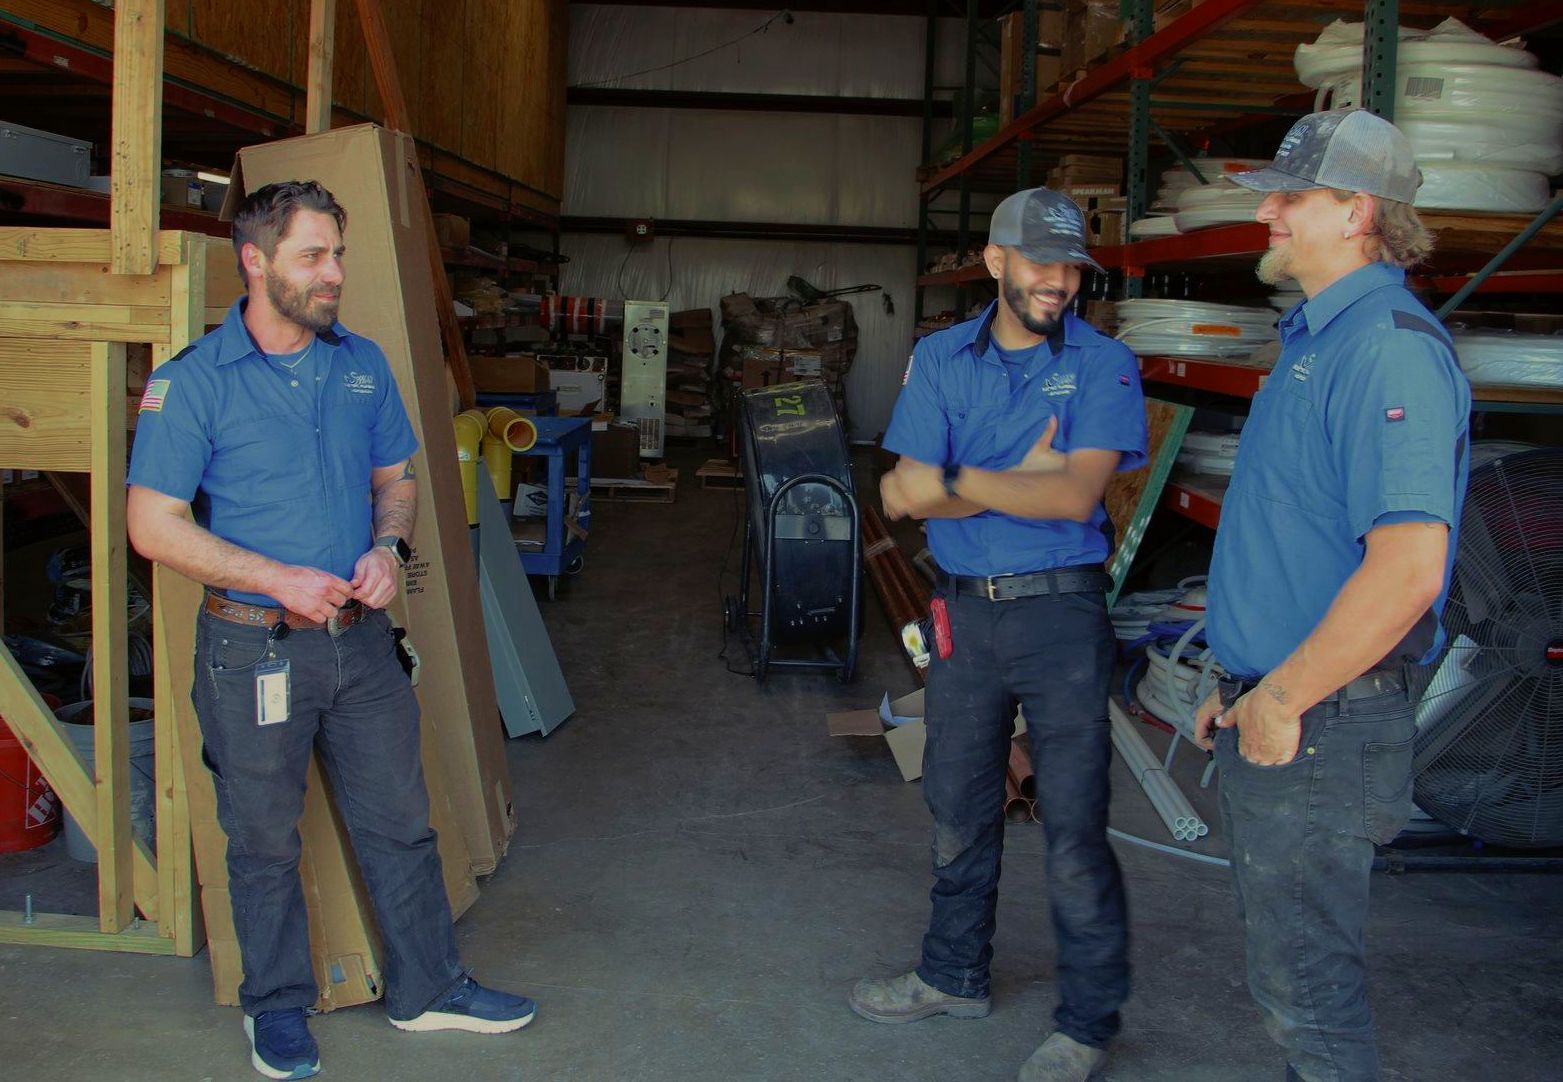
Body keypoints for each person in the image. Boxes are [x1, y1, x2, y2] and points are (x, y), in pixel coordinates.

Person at [126, 180, 536, 1081]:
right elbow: (152, 526)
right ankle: (275, 1007)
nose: (334, 274)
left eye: (338, 254)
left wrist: (389, 547)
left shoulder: (361, 365)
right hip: (253, 650)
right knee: (264, 840)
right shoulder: (193, 382)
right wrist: (276, 578)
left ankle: (429, 989)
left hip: (360, 641)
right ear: (255, 261)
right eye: (313, 256)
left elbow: (397, 478)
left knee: (401, 823)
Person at [1193, 109, 1471, 1081]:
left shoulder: (1386, 349)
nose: (1265, 212)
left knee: (1310, 1002)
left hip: (1321, 723)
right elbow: (1296, 535)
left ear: (1356, 211)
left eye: (1289, 196)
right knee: (1294, 986)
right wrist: (1236, 678)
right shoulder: (1319, 337)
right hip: (1290, 705)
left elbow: (1407, 569)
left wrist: (1278, 696)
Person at [854, 187, 1148, 1082]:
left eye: (1071, 268)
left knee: (1073, 824)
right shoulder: (941, 356)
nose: (1058, 281)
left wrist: (960, 478)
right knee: (956, 801)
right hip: (962, 613)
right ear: (995, 261)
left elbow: (1071, 494)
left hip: (1060, 613)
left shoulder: (1103, 363)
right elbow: (903, 493)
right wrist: (1013, 475)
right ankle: (952, 974)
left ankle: (1086, 1023)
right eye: (1039, 263)